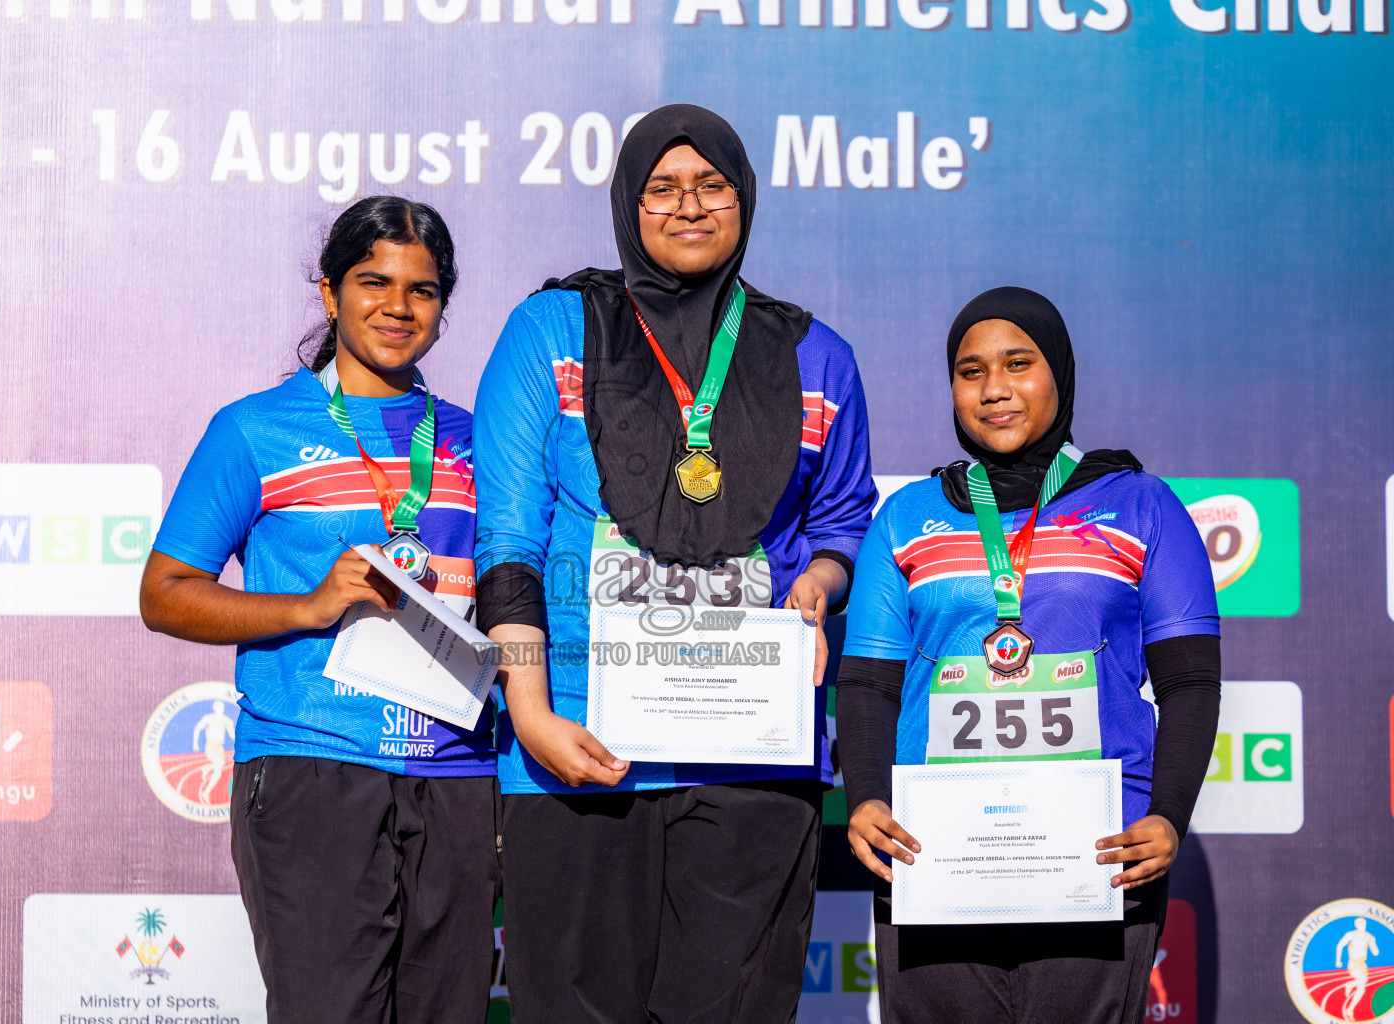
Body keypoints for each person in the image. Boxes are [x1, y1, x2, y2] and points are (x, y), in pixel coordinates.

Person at [473, 104, 877, 1023]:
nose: (687, 206)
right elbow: (507, 537)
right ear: (628, 202)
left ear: (745, 199)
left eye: (711, 186)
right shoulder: (552, 330)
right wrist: (529, 713)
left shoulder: (819, 358)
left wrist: (821, 581)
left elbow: (843, 520)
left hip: (752, 755)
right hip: (575, 749)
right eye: (662, 187)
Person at [139, 196, 497, 1024]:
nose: (397, 308)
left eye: (423, 290)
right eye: (373, 282)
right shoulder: (254, 431)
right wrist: (308, 605)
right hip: (312, 763)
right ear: (330, 293)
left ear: (443, 307)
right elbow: (164, 596)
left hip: (458, 773)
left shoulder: (473, 441)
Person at [837, 286, 1222, 1023]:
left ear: (1060, 374)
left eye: (1019, 363)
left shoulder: (1141, 504)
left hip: (1099, 850)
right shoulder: (908, 516)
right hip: (934, 852)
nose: (995, 390)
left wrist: (1169, 813)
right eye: (971, 370)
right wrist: (865, 799)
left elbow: (1191, 681)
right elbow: (867, 685)